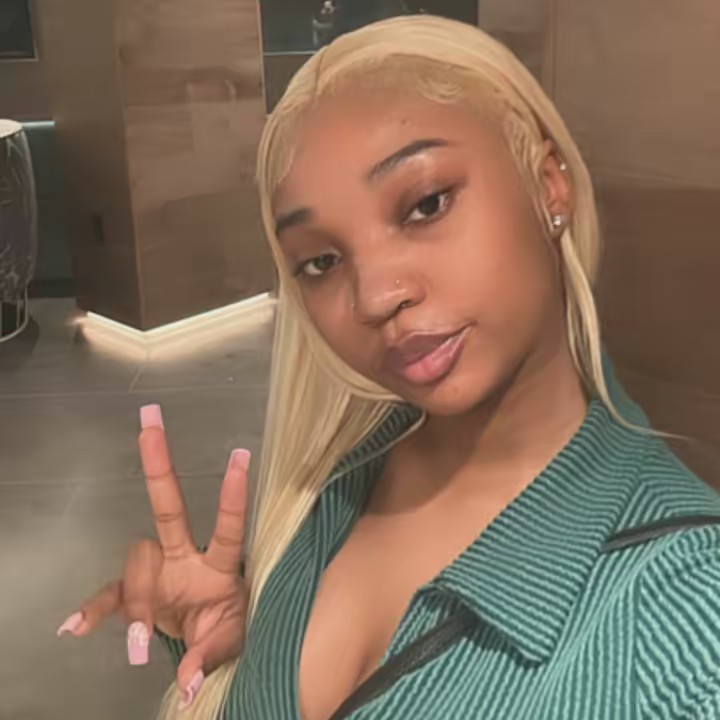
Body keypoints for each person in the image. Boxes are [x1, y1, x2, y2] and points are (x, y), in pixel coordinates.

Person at [57, 15, 720, 720]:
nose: (375, 296)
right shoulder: (330, 485)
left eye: (426, 205)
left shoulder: (690, 621)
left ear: (549, 184)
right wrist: (235, 659)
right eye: (321, 261)